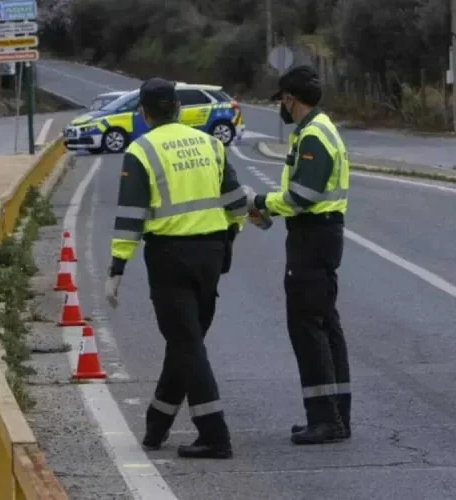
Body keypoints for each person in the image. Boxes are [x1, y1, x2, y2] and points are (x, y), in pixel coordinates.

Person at [104, 78, 249, 459]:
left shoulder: (141, 151)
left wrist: (117, 267)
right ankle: (157, 423)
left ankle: (215, 434)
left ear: (143, 114)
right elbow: (235, 201)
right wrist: (234, 232)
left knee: (186, 343)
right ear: (179, 109)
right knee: (187, 342)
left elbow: (130, 216)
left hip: (170, 258)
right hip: (212, 255)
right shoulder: (211, 143)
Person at [244, 65, 352, 445]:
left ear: (290, 99)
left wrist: (259, 201)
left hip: (313, 237)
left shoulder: (314, 137)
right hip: (320, 236)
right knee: (325, 325)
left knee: (308, 328)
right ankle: (336, 415)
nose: (282, 108)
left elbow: (301, 198)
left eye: (283, 101)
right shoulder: (317, 130)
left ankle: (326, 420)